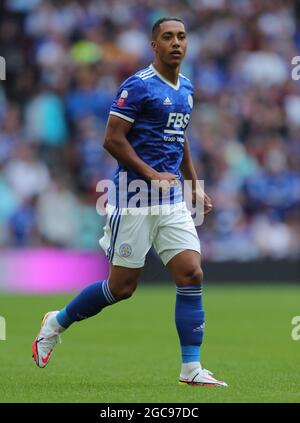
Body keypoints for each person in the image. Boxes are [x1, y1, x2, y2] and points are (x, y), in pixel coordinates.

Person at [32, 17, 227, 387]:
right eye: (167, 37)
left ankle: (191, 369)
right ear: (154, 45)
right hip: (133, 197)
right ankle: (56, 322)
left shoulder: (186, 87)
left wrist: (195, 184)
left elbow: (178, 136)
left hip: (169, 199)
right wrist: (150, 174)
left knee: (191, 274)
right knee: (122, 288)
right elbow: (112, 139)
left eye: (181, 37)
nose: (176, 43)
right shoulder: (138, 86)